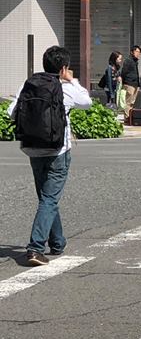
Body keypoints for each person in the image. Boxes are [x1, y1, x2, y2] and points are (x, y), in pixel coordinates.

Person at [7, 46, 92, 266]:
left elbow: (11, 112)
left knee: (47, 197)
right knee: (49, 198)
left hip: (32, 147)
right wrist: (72, 81)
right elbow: (87, 102)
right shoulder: (65, 88)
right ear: (64, 68)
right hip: (57, 150)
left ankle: (57, 242)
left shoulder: (29, 85)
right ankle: (35, 248)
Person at [119, 45, 141, 116]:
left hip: (135, 84)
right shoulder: (128, 60)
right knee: (128, 101)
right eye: (136, 51)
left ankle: (129, 117)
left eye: (139, 52)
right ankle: (127, 117)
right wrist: (124, 83)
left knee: (132, 102)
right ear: (132, 52)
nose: (138, 53)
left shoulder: (135, 62)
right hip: (129, 84)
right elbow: (124, 72)